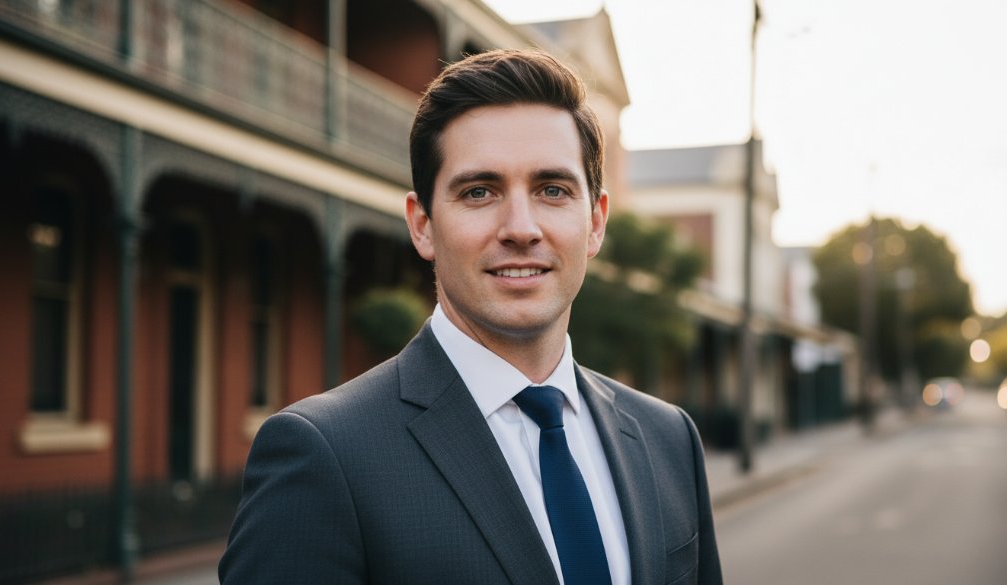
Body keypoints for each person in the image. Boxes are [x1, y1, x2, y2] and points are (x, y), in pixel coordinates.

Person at [219, 48, 723, 585]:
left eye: (552, 190)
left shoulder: (668, 438)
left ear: (595, 222)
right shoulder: (324, 456)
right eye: (479, 192)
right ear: (422, 225)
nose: (521, 228)